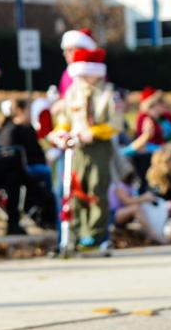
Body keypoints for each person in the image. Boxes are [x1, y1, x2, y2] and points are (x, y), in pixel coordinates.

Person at [49, 47, 122, 252]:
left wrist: (95, 131)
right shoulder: (74, 92)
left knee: (97, 187)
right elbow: (65, 118)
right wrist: (60, 133)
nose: (81, 78)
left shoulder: (109, 93)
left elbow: (116, 124)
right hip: (76, 147)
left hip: (98, 145)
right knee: (75, 188)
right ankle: (79, 232)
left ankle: (97, 234)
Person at [0, 98, 54, 202]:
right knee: (48, 172)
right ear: (20, 111)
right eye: (29, 111)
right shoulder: (13, 130)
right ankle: (50, 207)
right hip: (22, 169)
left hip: (29, 166)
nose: (31, 114)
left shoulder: (27, 128)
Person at [109, 170, 170, 245]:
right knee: (136, 208)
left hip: (124, 212)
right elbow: (127, 201)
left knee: (140, 207)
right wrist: (144, 198)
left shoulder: (130, 185)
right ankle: (153, 235)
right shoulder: (117, 185)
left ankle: (152, 233)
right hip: (114, 215)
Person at [57, 28, 98, 99]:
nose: (65, 54)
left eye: (70, 50)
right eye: (65, 50)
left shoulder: (94, 71)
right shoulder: (67, 73)